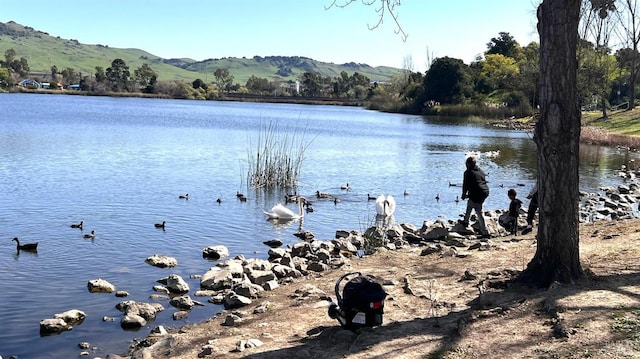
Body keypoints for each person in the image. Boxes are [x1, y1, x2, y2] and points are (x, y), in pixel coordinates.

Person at [459, 156, 490, 238]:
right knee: (470, 203)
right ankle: (466, 221)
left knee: (478, 211)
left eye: (466, 163)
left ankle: (485, 232)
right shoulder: (480, 171)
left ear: (468, 164)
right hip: (485, 191)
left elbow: (465, 185)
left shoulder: (468, 172)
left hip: (477, 193)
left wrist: (463, 194)